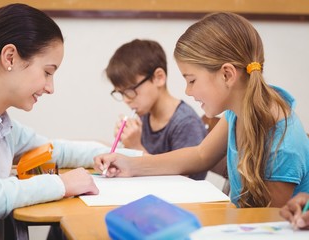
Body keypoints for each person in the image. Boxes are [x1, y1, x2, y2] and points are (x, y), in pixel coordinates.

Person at [0, 4, 141, 240]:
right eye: (48, 72)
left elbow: (56, 150)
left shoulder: (0, 124)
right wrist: (60, 184)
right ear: (10, 57)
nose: (51, 88)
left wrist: (134, 160)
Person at [94, 12, 309, 208]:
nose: (187, 91)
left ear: (227, 75)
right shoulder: (237, 111)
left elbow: (269, 225)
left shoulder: (282, 143)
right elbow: (200, 155)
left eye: (191, 80)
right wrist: (131, 165)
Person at [106, 39, 207, 180]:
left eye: (130, 90)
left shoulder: (186, 123)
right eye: (121, 93)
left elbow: (182, 181)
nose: (126, 99)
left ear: (159, 78)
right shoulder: (145, 115)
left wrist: (136, 147)